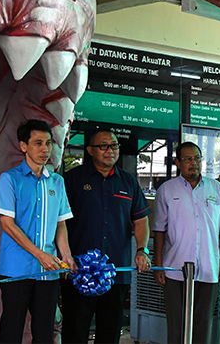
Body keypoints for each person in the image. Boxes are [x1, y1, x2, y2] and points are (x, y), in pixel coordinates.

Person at [61, 129, 151, 343]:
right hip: (78, 271)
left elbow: (140, 220)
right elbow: (60, 222)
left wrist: (142, 249)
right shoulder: (72, 179)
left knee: (110, 331)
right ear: (90, 150)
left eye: (114, 146)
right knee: (75, 329)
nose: (110, 150)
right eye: (103, 146)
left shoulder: (129, 182)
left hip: (115, 272)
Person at [0, 119, 75, 344]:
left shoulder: (57, 182)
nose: (45, 149)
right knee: (12, 328)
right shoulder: (9, 179)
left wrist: (66, 255)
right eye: (38, 143)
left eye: (48, 143)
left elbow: (61, 224)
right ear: (23, 146)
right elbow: (7, 225)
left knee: (44, 330)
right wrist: (41, 255)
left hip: (48, 272)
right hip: (15, 269)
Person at [152, 141, 220, 344]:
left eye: (197, 158)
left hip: (209, 267)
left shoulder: (216, 189)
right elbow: (159, 230)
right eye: (188, 159)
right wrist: (157, 264)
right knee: (176, 325)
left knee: (202, 325)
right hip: (174, 268)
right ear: (177, 162)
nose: (194, 163)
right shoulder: (166, 190)